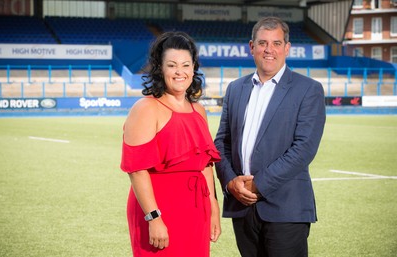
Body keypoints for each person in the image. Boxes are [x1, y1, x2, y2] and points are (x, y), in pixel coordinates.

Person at [214, 17, 326, 257]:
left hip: (286, 208)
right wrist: (231, 182)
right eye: (263, 43)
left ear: (287, 48)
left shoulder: (308, 89)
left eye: (276, 43)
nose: (269, 50)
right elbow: (221, 143)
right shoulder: (235, 88)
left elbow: (303, 149)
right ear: (251, 47)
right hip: (241, 206)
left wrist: (258, 184)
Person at [120, 31, 221, 257]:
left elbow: (205, 165)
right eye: (172, 65)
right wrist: (154, 217)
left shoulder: (199, 111)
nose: (179, 72)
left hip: (196, 209)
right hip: (158, 209)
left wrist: (213, 206)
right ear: (160, 68)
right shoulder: (145, 108)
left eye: (186, 65)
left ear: (193, 67)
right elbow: (137, 170)